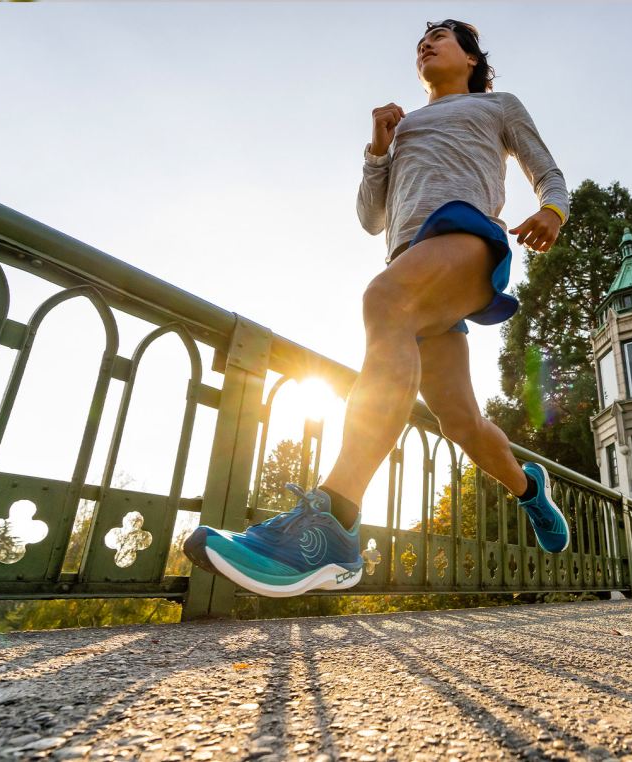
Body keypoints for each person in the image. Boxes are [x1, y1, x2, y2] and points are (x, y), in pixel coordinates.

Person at [185, 19, 571, 597]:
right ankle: (528, 487)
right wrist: (378, 149)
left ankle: (333, 522)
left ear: (470, 60)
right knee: (458, 420)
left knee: (381, 297)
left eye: (442, 36)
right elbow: (371, 219)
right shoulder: (404, 126)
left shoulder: (496, 108)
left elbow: (548, 171)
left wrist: (552, 212)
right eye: (423, 40)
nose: (427, 43)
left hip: (465, 239)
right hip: (414, 262)